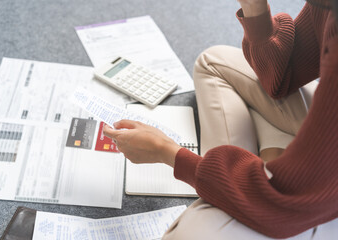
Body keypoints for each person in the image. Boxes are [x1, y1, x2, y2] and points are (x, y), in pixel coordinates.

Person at [103, 0, 338, 238]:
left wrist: (166, 151)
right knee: (213, 61)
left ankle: (243, 184)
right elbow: (284, 76)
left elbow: (283, 200)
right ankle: (256, 171)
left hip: (313, 204)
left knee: (186, 235)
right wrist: (254, 7)